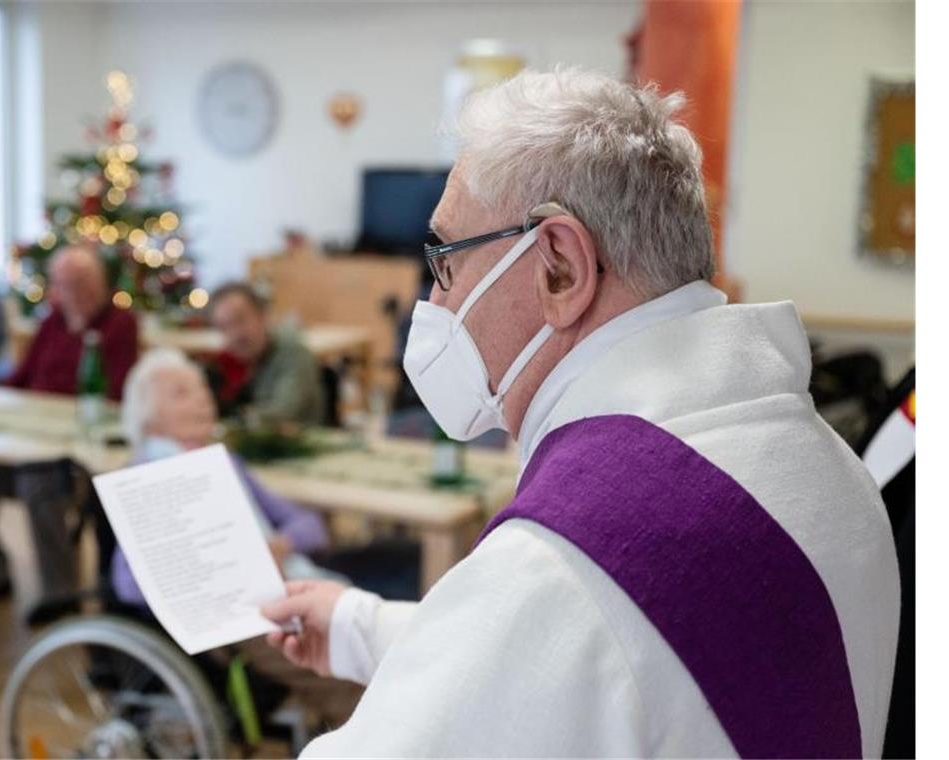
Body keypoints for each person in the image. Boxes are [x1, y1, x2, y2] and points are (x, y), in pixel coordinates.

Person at [260, 68, 901, 757]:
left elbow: (563, 628)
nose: (436, 303)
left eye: (445, 261)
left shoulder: (565, 561)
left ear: (559, 267)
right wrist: (362, 627)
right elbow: (601, 675)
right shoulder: (823, 462)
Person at [111, 348, 362, 725]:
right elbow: (126, 582)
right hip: (232, 621)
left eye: (202, 390)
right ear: (148, 419)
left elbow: (311, 526)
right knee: (350, 666)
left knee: (363, 636)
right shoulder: (146, 480)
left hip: (285, 586)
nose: (201, 400)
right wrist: (208, 569)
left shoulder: (226, 463)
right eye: (181, 393)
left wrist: (279, 546)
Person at [0, 245, 139, 624]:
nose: (72, 290)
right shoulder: (52, 321)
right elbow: (23, 376)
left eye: (80, 281)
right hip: (33, 439)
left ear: (100, 284)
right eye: (64, 282)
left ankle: (60, 593)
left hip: (77, 452)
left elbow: (113, 395)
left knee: (39, 485)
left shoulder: (119, 325)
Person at [207, 281, 325, 428]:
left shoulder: (293, 354)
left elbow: (282, 414)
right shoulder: (229, 363)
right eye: (224, 327)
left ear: (262, 315)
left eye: (240, 320)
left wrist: (236, 416)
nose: (235, 334)